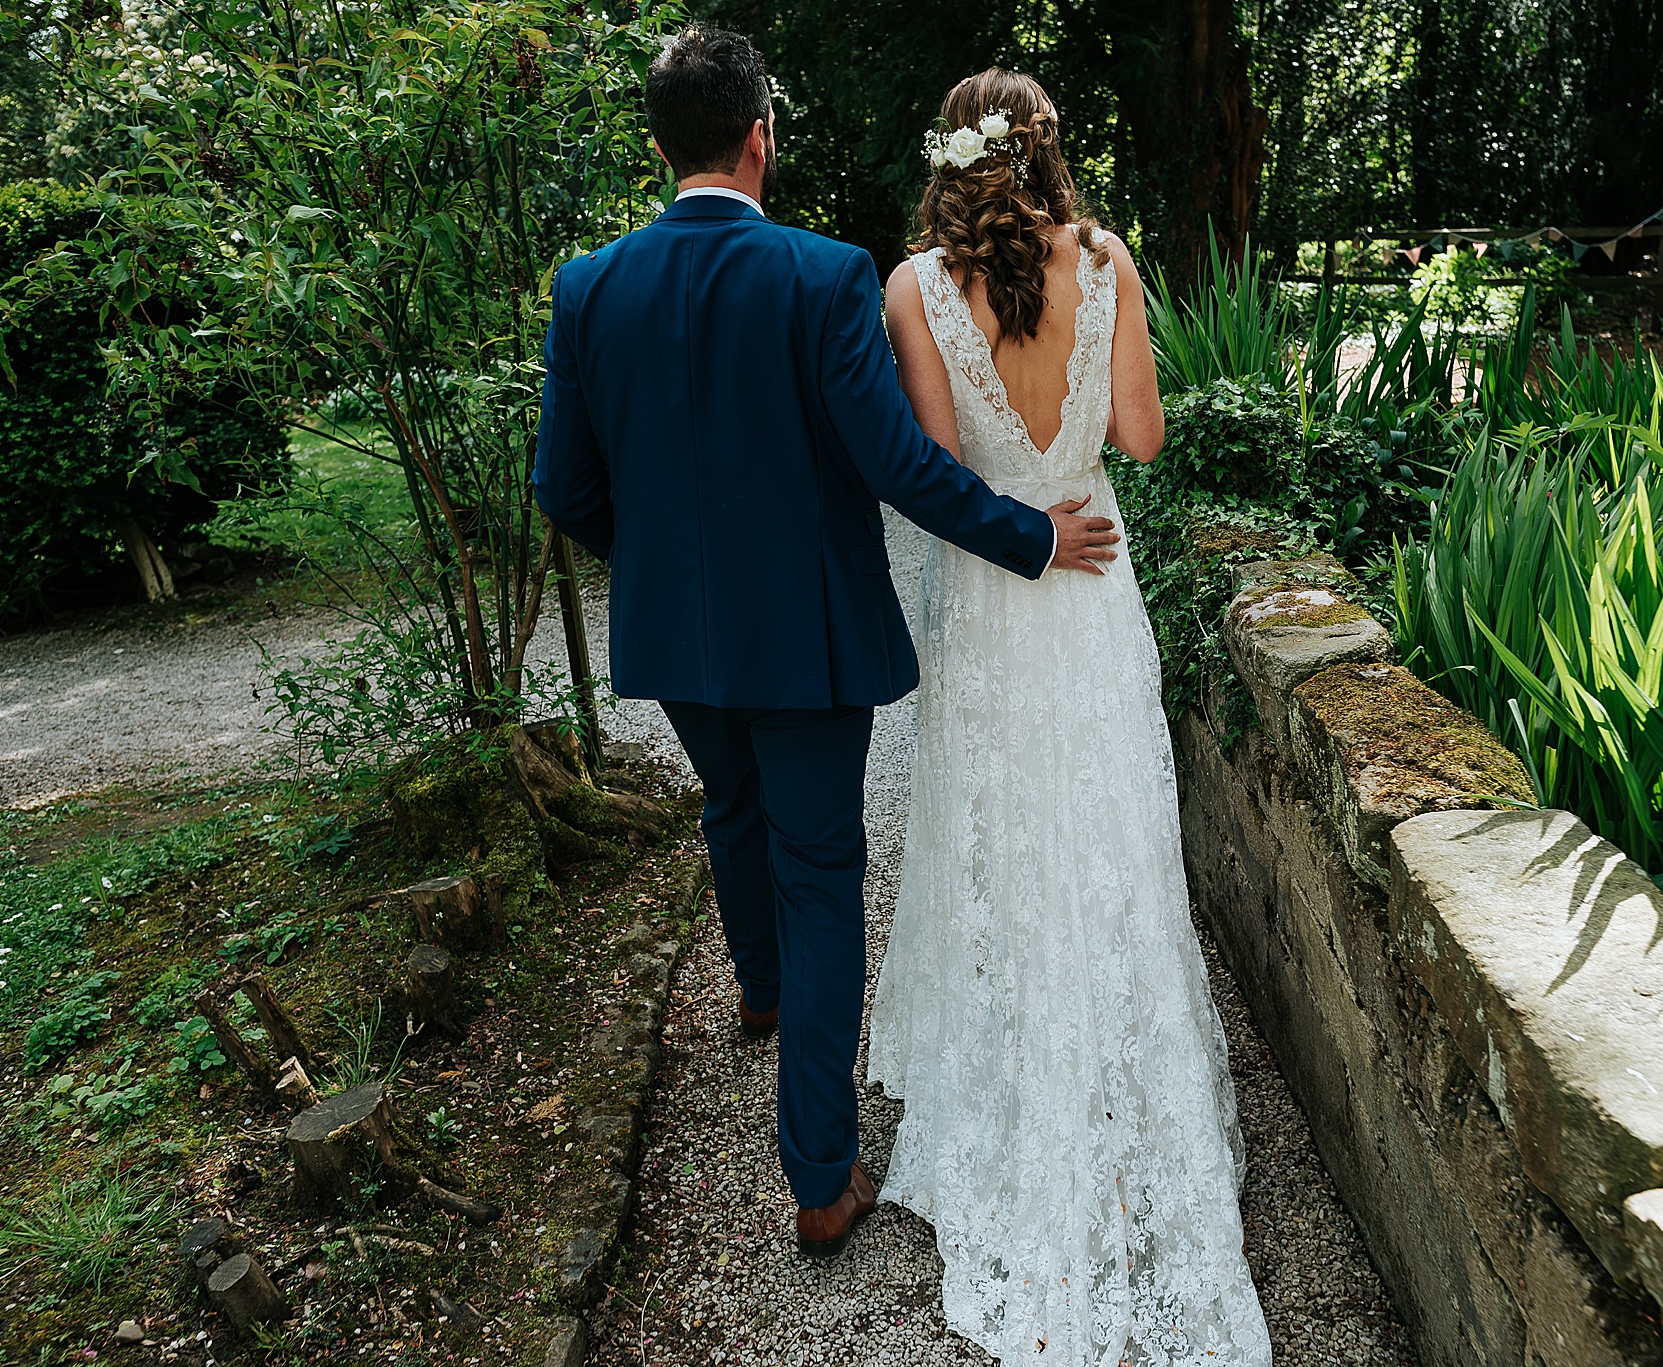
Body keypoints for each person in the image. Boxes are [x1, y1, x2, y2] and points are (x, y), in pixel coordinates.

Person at [531, 27, 1120, 1261]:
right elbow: (897, 464)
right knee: (817, 868)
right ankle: (815, 1173)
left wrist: (655, 572)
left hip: (674, 641)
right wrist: (1026, 537)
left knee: (728, 812)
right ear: (760, 138)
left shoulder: (587, 286)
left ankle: (756, 988)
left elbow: (567, 490)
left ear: (660, 145)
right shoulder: (820, 273)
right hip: (804, 639)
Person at [866, 68, 1274, 1366]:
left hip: (998, 597)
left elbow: (936, 477)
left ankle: (1019, 1078)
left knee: (1002, 838)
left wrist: (1015, 495)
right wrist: (1074, 422)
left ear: (952, 155)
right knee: (1107, 836)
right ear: (1048, 148)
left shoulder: (918, 288)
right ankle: (1111, 1079)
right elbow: (1141, 437)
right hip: (1094, 584)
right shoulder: (1106, 260)